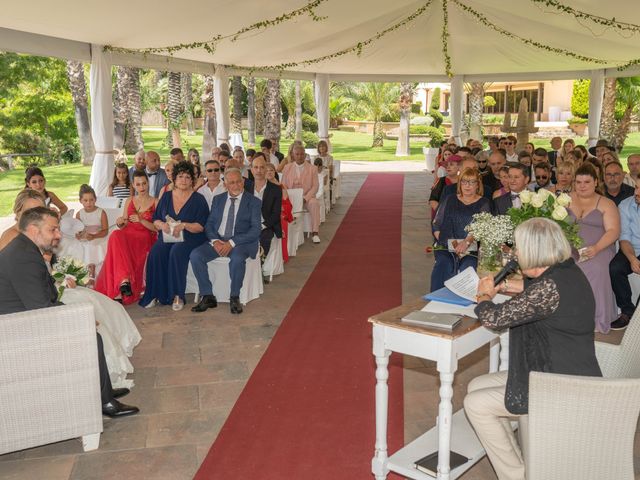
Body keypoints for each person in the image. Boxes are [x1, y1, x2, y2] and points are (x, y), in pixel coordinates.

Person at [465, 218, 601, 480]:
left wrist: (484, 296)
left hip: (562, 383)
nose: (515, 252)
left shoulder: (548, 287)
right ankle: (522, 457)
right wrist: (504, 285)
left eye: (519, 247)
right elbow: (535, 292)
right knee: (476, 385)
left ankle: (516, 475)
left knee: (475, 403)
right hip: (562, 367)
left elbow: (494, 319)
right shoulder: (565, 270)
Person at [0, 206, 139, 417]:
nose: (58, 235)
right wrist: (79, 318)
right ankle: (105, 402)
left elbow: (44, 299)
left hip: (24, 321)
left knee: (93, 330)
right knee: (92, 337)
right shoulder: (23, 257)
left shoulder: (25, 248)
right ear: (33, 230)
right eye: (53, 230)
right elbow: (41, 308)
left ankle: (104, 391)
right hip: (20, 334)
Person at [190, 169, 262, 315]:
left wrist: (232, 243)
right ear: (226, 184)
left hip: (241, 242)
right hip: (219, 240)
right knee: (195, 255)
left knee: (236, 259)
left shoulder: (254, 202)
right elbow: (209, 224)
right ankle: (208, 295)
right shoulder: (218, 199)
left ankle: (234, 296)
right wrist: (216, 241)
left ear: (243, 182)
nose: (235, 185)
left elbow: (255, 230)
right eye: (231, 182)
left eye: (238, 182)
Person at [140, 161, 209, 311]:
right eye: (180, 176)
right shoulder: (166, 197)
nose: (183, 180)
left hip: (191, 237)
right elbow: (156, 219)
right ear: (174, 179)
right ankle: (154, 294)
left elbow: (201, 227)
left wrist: (183, 225)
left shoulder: (199, 200)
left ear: (192, 180)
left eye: (187, 177)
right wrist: (162, 225)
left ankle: (177, 295)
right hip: (168, 236)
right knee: (156, 252)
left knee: (176, 252)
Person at [569, 163, 620, 333]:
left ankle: (597, 318)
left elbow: (614, 231)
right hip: (570, 248)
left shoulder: (606, 203)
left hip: (600, 247)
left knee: (596, 268)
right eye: (578, 182)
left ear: (596, 182)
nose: (582, 186)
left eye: (587, 182)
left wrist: (596, 248)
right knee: (561, 265)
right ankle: (568, 317)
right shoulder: (566, 199)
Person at [95, 171, 157, 304]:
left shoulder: (155, 201)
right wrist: (120, 223)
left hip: (144, 236)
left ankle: (121, 286)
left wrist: (141, 220)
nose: (142, 187)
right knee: (116, 234)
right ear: (133, 186)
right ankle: (124, 281)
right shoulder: (130, 200)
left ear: (148, 183)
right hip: (128, 232)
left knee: (117, 242)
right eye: (138, 184)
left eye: (144, 183)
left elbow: (156, 228)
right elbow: (124, 223)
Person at [430, 167, 491, 292]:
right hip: (446, 246)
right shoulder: (450, 199)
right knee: (443, 263)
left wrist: (466, 243)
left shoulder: (484, 203)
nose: (468, 186)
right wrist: (448, 243)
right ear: (459, 183)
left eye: (472, 182)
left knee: (468, 267)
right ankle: (436, 298)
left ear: (478, 185)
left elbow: (482, 228)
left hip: (471, 249)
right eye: (464, 181)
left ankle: (465, 301)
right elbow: (436, 223)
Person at [57, 184, 109, 280]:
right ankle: (77, 272)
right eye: (85, 200)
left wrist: (94, 236)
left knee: (91, 246)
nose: (89, 203)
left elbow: (105, 231)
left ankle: (92, 273)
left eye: (91, 200)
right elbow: (77, 230)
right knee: (75, 246)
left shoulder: (101, 212)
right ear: (80, 201)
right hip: (85, 238)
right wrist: (79, 235)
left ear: (95, 199)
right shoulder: (79, 214)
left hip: (98, 237)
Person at [609, 178, 640, 330]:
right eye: (636, 187)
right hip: (632, 248)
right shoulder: (626, 204)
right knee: (615, 268)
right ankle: (627, 311)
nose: (637, 192)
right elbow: (625, 237)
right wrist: (633, 259)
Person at [281, 144, 322, 244]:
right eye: (297, 154)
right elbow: (283, 185)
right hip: (291, 197)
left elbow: (315, 186)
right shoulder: (287, 167)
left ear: (305, 155)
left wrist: (305, 198)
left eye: (302, 154)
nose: (299, 156)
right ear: (293, 155)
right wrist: (289, 196)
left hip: (306, 197)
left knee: (314, 203)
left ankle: (315, 233)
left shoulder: (312, 169)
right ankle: (285, 231)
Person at [244, 154, 283, 258]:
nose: (258, 170)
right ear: (251, 170)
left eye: (262, 167)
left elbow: (276, 214)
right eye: (256, 167)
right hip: (248, 224)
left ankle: (260, 263)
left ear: (266, 169)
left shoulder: (276, 189)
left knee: (264, 237)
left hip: (267, 225)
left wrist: (261, 226)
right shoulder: (246, 188)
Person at [266, 162, 293, 263]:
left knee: (280, 220)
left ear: (275, 172)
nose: (269, 172)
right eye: (267, 170)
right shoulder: (261, 186)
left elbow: (286, 204)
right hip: (265, 213)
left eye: (271, 170)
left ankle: (282, 255)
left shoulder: (280, 186)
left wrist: (278, 208)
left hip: (279, 213)